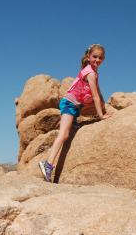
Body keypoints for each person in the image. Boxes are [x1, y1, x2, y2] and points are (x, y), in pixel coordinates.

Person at [38, 44, 112, 182]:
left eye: (100, 57)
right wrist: (101, 115)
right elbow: (95, 95)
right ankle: (47, 164)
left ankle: (73, 122)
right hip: (69, 104)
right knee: (64, 134)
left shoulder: (92, 71)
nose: (97, 60)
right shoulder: (90, 73)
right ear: (89, 57)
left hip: (76, 106)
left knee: (96, 101)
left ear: (104, 59)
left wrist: (103, 106)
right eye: (95, 57)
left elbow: (98, 93)